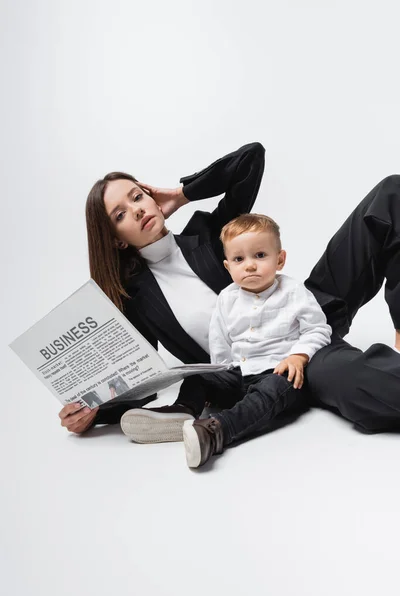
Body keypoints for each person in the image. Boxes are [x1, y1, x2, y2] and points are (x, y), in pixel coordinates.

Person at [58, 142, 400, 439]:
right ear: (116, 238)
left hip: (307, 310)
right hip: (276, 368)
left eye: (137, 196)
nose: (136, 209)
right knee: (364, 385)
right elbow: (139, 379)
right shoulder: (138, 299)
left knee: (390, 195)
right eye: (120, 214)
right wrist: (93, 414)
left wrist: (182, 194)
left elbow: (250, 159)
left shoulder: (208, 234)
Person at [178, 213, 331, 467]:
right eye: (239, 259)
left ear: (279, 259)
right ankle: (182, 411)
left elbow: (318, 329)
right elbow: (220, 342)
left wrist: (298, 356)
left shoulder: (293, 292)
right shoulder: (227, 298)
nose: (249, 265)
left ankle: (217, 431)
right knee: (197, 373)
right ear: (228, 267)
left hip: (277, 372)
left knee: (276, 387)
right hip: (238, 374)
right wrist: (219, 377)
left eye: (260, 256)